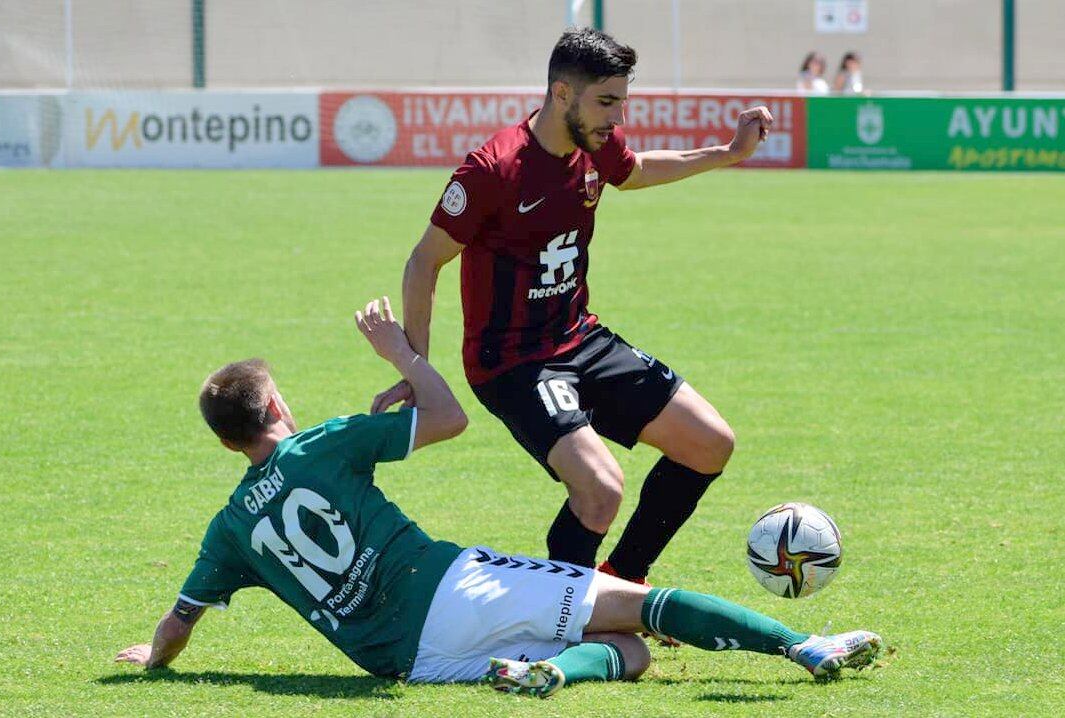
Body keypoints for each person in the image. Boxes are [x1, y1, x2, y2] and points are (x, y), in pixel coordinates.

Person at [115, 298, 883, 697]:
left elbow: (180, 623)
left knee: (628, 656)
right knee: (636, 604)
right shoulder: (323, 442)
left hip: (400, 662)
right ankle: (803, 646)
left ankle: (547, 673)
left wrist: (154, 657)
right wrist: (403, 356)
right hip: (451, 589)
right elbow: (447, 418)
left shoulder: (228, 528)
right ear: (278, 409)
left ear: (225, 443)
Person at [370, 27, 774, 586]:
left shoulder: (595, 144)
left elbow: (635, 172)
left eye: (621, 103)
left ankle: (624, 579)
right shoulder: (492, 170)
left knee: (709, 444)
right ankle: (557, 615)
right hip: (512, 362)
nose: (616, 119)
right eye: (606, 102)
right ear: (562, 94)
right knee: (601, 488)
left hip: (579, 337)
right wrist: (416, 370)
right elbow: (423, 263)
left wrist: (729, 154)